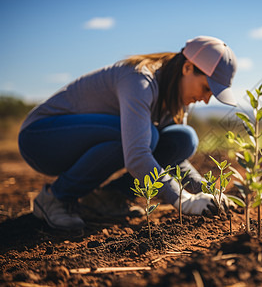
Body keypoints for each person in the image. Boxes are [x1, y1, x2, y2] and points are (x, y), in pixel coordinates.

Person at [18, 36, 237, 230]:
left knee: (182, 139)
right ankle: (56, 198)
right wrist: (183, 200)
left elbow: (174, 160)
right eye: (206, 88)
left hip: (78, 139)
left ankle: (109, 198)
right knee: (147, 137)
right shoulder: (139, 80)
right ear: (187, 68)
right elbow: (138, 155)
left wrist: (209, 191)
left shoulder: (175, 99)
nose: (206, 99)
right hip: (41, 138)